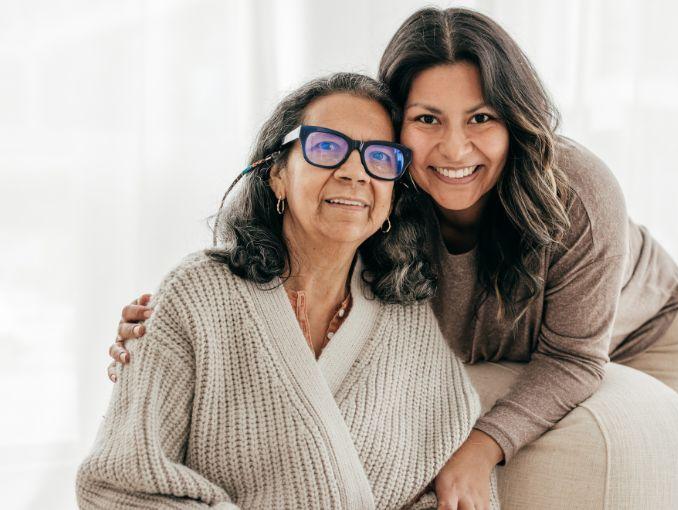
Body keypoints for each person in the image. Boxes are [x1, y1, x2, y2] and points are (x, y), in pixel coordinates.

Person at [109, 7, 678, 509]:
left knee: (624, 456)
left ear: (514, 121)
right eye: (426, 120)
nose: (453, 147)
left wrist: (480, 449)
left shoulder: (575, 189)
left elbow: (573, 358)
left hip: (639, 332)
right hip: (486, 347)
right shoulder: (383, 190)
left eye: (482, 118)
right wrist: (167, 336)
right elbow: (286, 259)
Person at [79, 73, 498, 509]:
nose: (355, 173)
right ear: (277, 173)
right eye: (326, 147)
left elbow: (448, 495)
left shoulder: (410, 321)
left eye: (380, 157)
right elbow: (119, 484)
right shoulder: (196, 297)